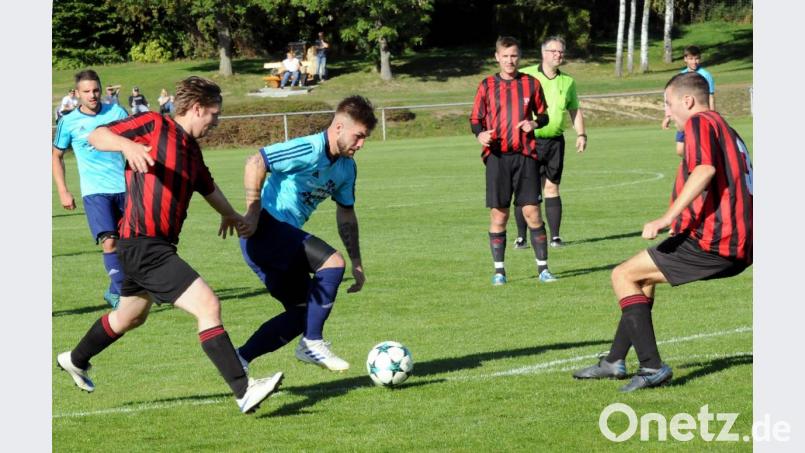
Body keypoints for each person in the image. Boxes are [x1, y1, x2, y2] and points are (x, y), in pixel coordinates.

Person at [56, 76, 284, 414]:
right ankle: (243, 389)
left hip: (151, 245)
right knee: (207, 305)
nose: (216, 122)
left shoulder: (191, 150)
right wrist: (127, 146)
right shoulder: (153, 123)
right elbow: (95, 135)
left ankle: (74, 359)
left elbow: (208, 187)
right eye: (214, 114)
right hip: (143, 243)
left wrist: (232, 215)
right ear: (196, 109)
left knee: (130, 316)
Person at [572, 72, 752, 392]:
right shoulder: (724, 126)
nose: (666, 112)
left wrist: (667, 216)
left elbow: (705, 170)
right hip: (736, 238)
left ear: (688, 100)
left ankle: (652, 367)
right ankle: (614, 361)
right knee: (642, 277)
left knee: (622, 275)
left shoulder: (699, 123)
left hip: (716, 240)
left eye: (668, 104)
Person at [235, 95, 377, 373]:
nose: (361, 144)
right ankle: (312, 343)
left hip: (280, 239)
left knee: (304, 312)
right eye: (358, 136)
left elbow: (346, 213)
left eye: (365, 138)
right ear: (338, 127)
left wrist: (357, 261)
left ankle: (238, 360)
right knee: (332, 263)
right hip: (264, 229)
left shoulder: (347, 168)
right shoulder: (309, 148)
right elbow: (256, 161)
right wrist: (252, 211)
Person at [469, 36, 556, 286]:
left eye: (514, 56)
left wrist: (534, 123)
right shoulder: (486, 85)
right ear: (497, 57)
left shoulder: (531, 84)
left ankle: (543, 269)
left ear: (520, 57)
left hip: (526, 156)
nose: (510, 60)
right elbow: (475, 119)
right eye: (505, 56)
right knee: (499, 215)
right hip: (497, 158)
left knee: (532, 213)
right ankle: (499, 271)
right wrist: (480, 134)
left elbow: (545, 116)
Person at [52, 70, 130, 308]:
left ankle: (113, 288)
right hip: (95, 191)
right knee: (109, 242)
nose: (92, 95)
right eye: (86, 91)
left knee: (131, 244)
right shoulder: (68, 122)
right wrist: (63, 190)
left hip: (126, 187)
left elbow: (136, 141)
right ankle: (122, 296)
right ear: (76, 94)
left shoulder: (117, 113)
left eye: (96, 90)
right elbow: (56, 156)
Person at [515, 36, 587, 249]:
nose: (558, 55)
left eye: (561, 52)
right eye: (554, 51)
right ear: (543, 53)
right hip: (529, 140)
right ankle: (521, 237)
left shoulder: (568, 81)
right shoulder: (526, 75)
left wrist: (581, 135)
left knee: (552, 188)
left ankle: (555, 237)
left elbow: (574, 109)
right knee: (526, 191)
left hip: (555, 141)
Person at [662, 45, 716, 156]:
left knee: (703, 146)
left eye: (697, 58)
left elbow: (710, 96)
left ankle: (699, 165)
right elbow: (673, 98)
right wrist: (668, 116)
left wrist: (712, 115)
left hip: (700, 116)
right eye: (691, 58)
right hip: (684, 117)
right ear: (685, 59)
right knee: (680, 151)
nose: (694, 62)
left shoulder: (706, 75)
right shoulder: (681, 76)